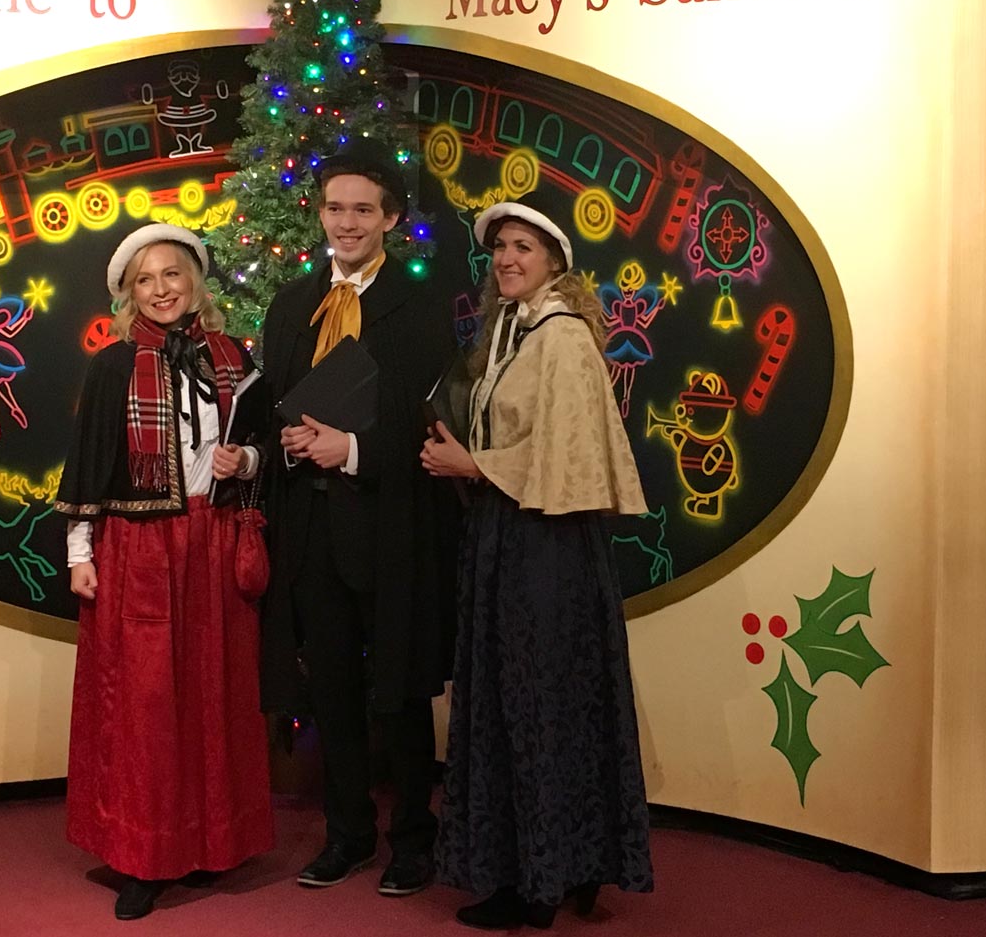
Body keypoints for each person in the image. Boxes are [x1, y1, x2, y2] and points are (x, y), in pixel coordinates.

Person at [421, 200, 654, 930]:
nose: (507, 259)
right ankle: (563, 865)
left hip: (545, 549)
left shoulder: (560, 337)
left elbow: (567, 453)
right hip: (510, 538)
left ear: (555, 260)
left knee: (537, 705)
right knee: (520, 701)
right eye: (499, 249)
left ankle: (538, 882)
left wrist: (471, 463)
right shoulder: (510, 333)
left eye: (523, 247)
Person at [54, 224, 273, 921]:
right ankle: (143, 856)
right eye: (146, 280)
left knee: (217, 690)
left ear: (195, 281)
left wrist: (253, 461)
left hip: (214, 538)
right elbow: (88, 464)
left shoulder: (234, 359)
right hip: (142, 546)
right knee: (147, 706)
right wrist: (80, 553)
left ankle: (212, 842)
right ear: (129, 293)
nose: (161, 290)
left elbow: (259, 438)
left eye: (172, 275)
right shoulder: (113, 365)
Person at [259, 140, 457, 897]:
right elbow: (275, 398)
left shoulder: (421, 304)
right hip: (310, 529)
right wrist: (278, 444)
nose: (346, 223)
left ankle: (413, 838)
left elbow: (423, 422)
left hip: (389, 524)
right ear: (320, 212)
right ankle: (347, 834)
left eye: (363, 210)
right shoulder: (289, 305)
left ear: (392, 219)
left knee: (401, 689)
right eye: (335, 207)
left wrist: (350, 448)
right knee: (333, 688)